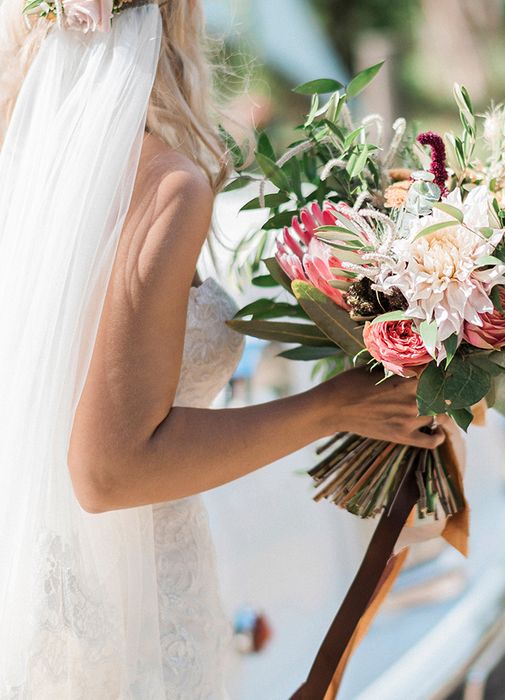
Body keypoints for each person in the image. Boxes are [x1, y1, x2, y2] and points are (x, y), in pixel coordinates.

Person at [0, 1, 449, 696]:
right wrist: (335, 407)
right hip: (126, 608)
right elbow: (108, 472)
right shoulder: (163, 188)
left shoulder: (23, 164)